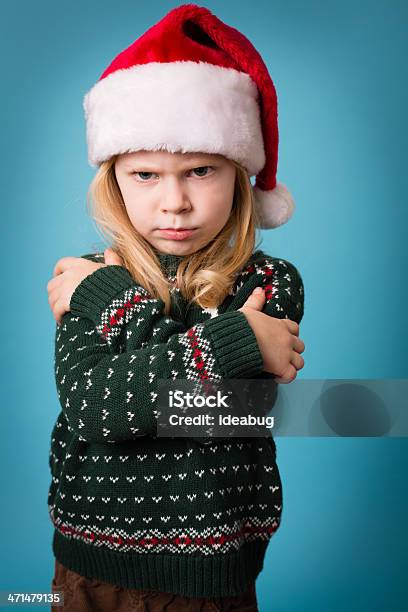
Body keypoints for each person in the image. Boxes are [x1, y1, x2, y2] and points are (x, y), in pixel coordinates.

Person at [46, 3, 306, 610]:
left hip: (210, 574)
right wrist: (237, 340)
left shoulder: (270, 281)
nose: (175, 202)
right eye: (145, 175)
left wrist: (112, 307)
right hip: (87, 566)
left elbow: (231, 412)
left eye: (199, 170)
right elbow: (94, 410)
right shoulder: (92, 278)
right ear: (113, 181)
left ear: (239, 173)